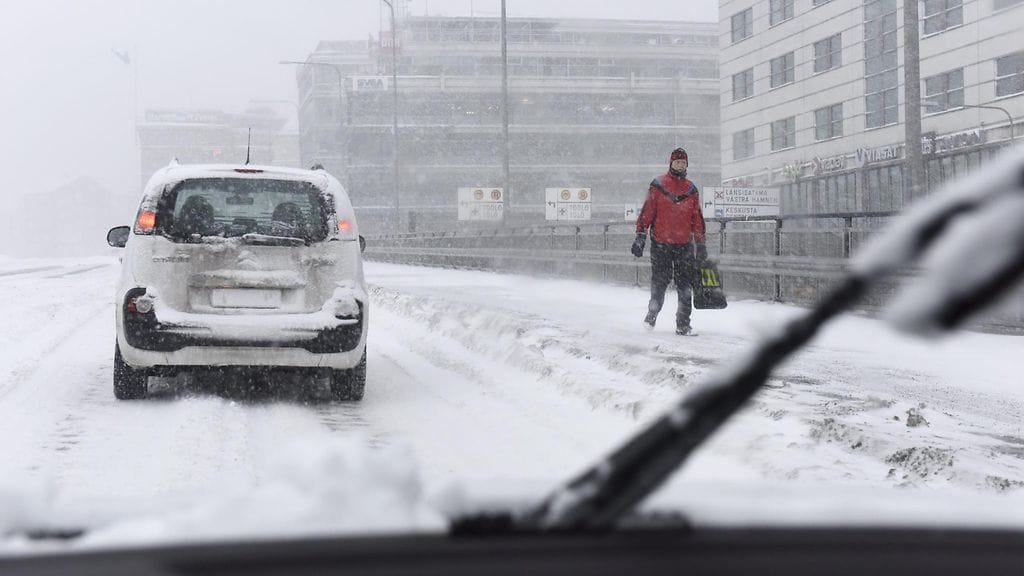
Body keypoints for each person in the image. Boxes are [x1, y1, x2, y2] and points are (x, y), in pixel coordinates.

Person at [631, 148, 708, 335]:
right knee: (659, 283)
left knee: (685, 286)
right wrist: (640, 236)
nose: (680, 165)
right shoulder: (658, 185)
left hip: (684, 245)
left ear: (686, 165)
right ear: (671, 163)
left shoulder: (691, 190)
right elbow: (648, 211)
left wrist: (701, 243)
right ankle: (652, 314)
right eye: (677, 162)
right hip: (661, 244)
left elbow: (696, 219)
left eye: (683, 163)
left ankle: (683, 324)